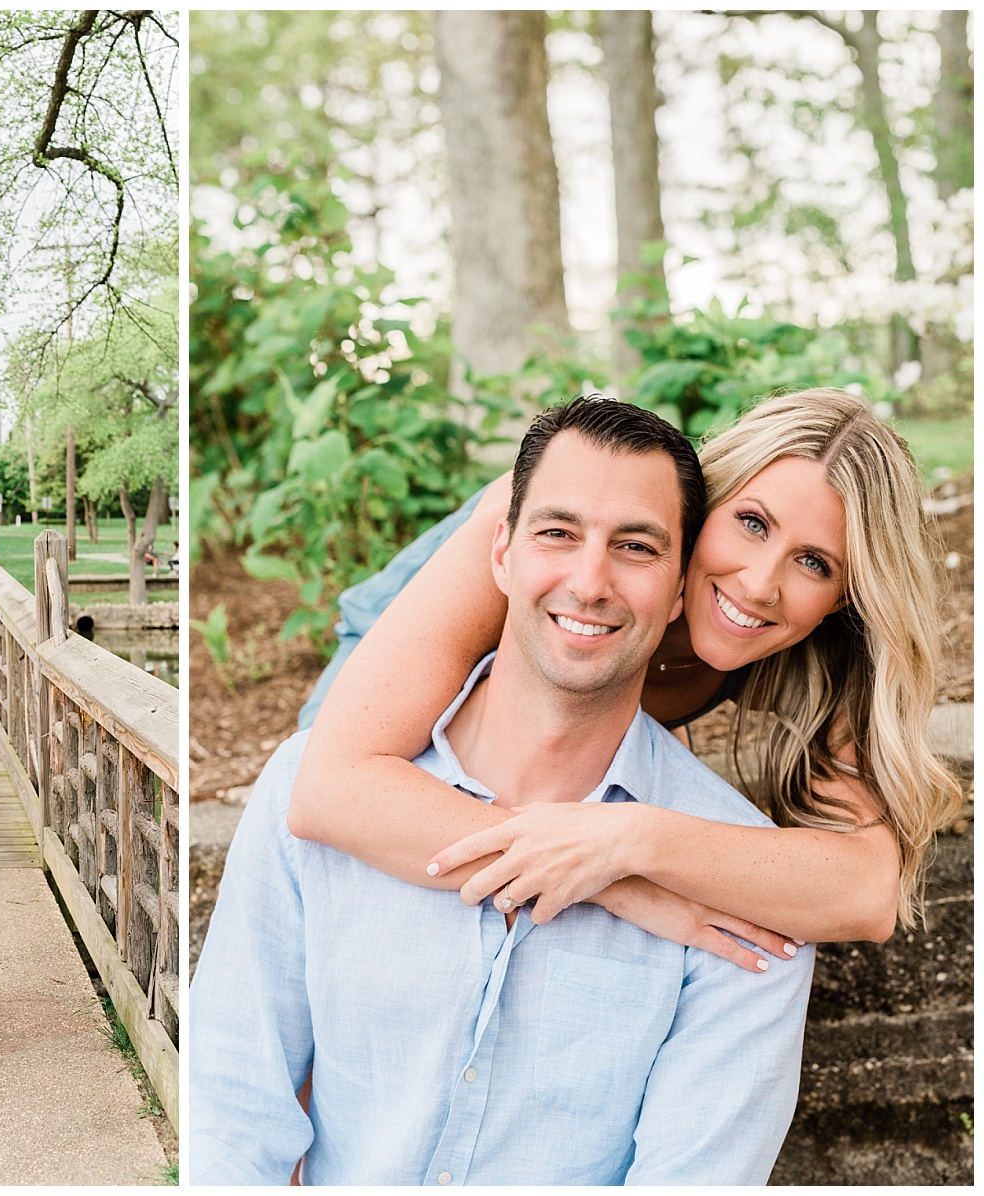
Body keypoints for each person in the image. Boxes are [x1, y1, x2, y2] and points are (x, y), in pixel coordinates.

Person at [191, 398, 817, 1184]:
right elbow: (230, 1113)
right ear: (500, 552)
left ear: (683, 587)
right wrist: (617, 883)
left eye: (636, 546)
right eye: (557, 533)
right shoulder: (312, 788)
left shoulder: (741, 901)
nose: (589, 582)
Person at [287, 388, 962, 961]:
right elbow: (329, 788)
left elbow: (866, 895)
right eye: (751, 523)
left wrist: (630, 838)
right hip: (392, 650)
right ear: (701, 509)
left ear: (846, 595)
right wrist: (615, 883)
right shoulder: (558, 539)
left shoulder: (820, 651)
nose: (760, 585)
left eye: (814, 563)